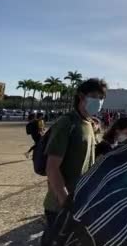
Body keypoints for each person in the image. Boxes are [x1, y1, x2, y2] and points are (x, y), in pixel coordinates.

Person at [41, 78, 107, 244]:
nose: (98, 101)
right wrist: (65, 201)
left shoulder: (89, 124)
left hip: (80, 204)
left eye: (101, 98)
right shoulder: (67, 123)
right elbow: (52, 167)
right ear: (81, 96)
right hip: (61, 205)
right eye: (93, 96)